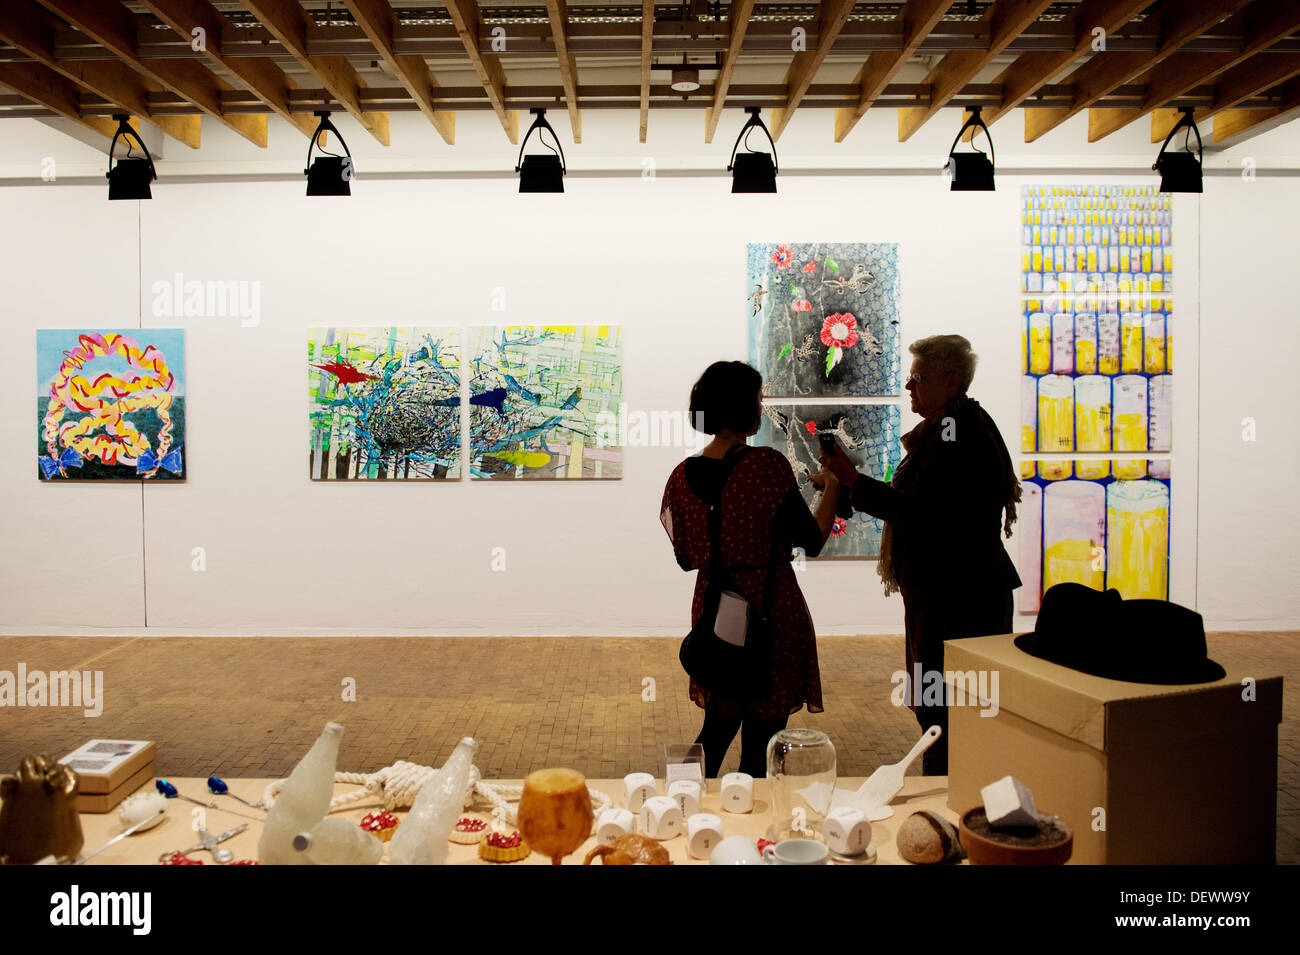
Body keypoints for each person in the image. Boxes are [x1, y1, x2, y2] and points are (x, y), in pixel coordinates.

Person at [816, 335, 1021, 775]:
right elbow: (917, 501)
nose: (909, 388)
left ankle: (952, 800)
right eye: (909, 379)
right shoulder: (951, 426)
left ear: (951, 382)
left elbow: (922, 513)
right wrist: (845, 485)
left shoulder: (958, 432)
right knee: (939, 704)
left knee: (949, 711)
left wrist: (852, 479)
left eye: (917, 379)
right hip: (945, 591)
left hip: (959, 597)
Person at [660, 361, 840, 778]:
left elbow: (685, 558)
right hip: (770, 610)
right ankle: (748, 818)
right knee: (763, 735)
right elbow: (811, 540)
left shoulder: (680, 478)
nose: (761, 406)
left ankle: (679, 803)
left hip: (716, 611)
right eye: (758, 398)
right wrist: (831, 485)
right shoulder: (766, 465)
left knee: (717, 725)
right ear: (744, 406)